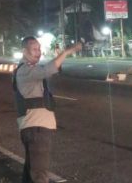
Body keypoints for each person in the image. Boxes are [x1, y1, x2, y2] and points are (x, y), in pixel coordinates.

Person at [13, 37, 83, 183]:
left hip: (35, 129)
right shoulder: (25, 70)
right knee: (40, 175)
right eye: (34, 49)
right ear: (24, 51)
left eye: (39, 49)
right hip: (36, 129)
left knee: (31, 174)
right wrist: (66, 52)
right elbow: (47, 70)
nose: (38, 52)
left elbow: (50, 70)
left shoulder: (30, 69)